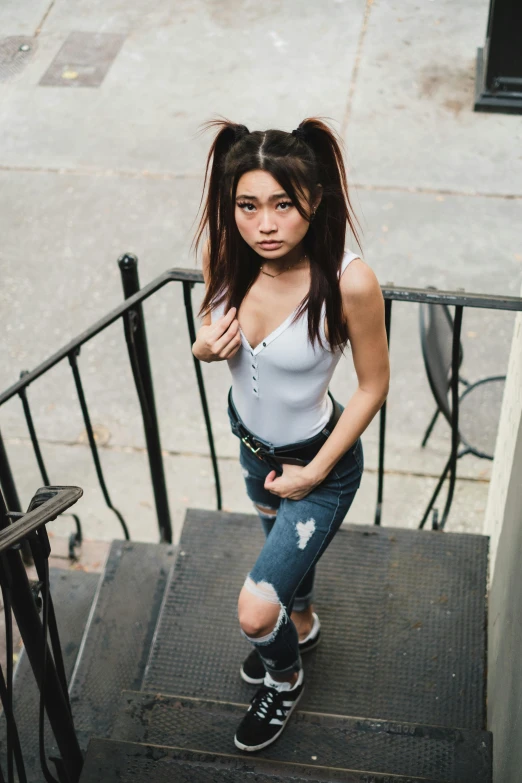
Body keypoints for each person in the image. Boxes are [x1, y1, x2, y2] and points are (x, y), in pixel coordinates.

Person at [191, 117, 390, 752]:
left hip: (318, 463)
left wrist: (315, 473)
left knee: (254, 610)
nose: (265, 224)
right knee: (283, 583)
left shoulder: (347, 280)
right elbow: (211, 317)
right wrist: (202, 345)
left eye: (283, 204)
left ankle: (285, 676)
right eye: (248, 205)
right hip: (253, 448)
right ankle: (299, 623)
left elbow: (372, 385)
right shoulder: (224, 250)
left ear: (315, 200)